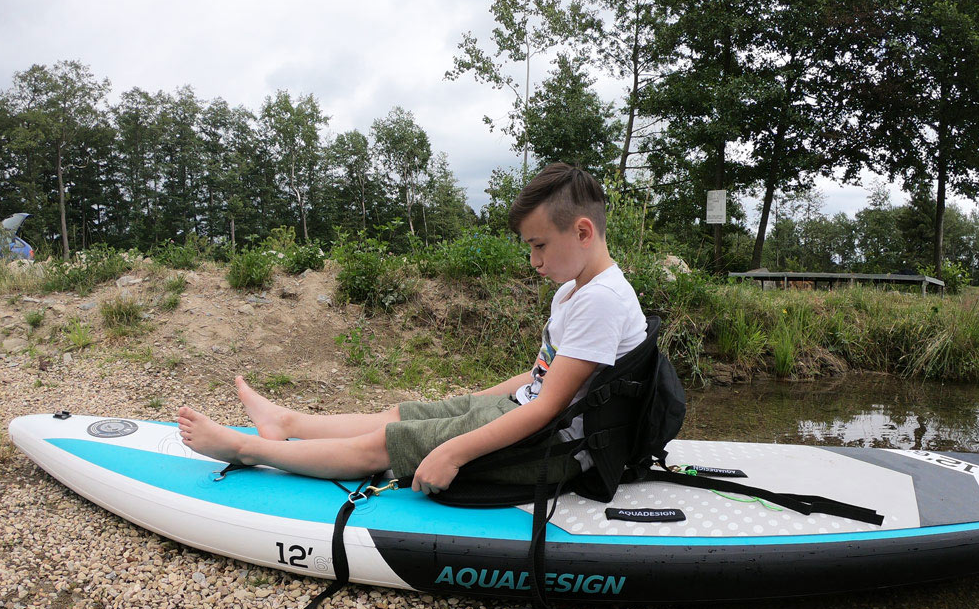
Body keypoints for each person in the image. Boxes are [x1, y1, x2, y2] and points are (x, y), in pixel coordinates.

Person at [177, 162, 647, 495]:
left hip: (555, 444)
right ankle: (286, 423)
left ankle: (244, 449)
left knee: (382, 445)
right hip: (532, 415)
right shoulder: (575, 290)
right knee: (402, 415)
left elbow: (546, 408)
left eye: (539, 245)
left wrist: (454, 452)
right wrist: (468, 403)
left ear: (583, 232)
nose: (534, 261)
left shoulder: (601, 301)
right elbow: (538, 376)